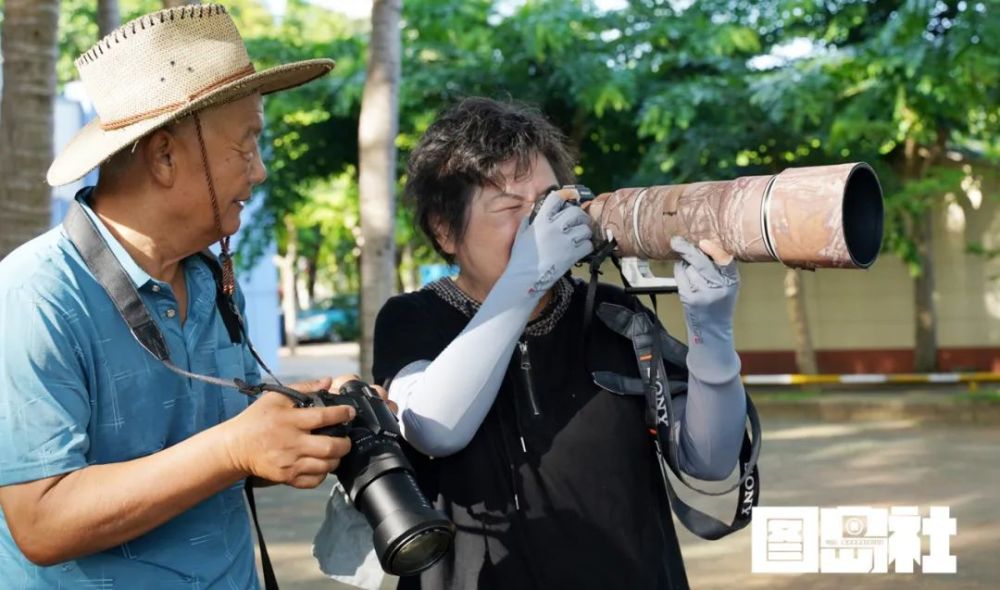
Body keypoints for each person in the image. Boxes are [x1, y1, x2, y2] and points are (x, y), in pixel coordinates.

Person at [0, 5, 361, 588]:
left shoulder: (208, 279)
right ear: (165, 156)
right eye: (247, 146)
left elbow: (233, 443)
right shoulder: (35, 296)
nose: (261, 170)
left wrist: (311, 424)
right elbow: (41, 521)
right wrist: (234, 448)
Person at [371, 97, 749, 589]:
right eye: (510, 207)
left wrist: (711, 333)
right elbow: (435, 429)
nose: (541, 224)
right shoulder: (414, 318)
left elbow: (710, 461)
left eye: (552, 202)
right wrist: (525, 278)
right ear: (445, 230)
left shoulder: (613, 313)